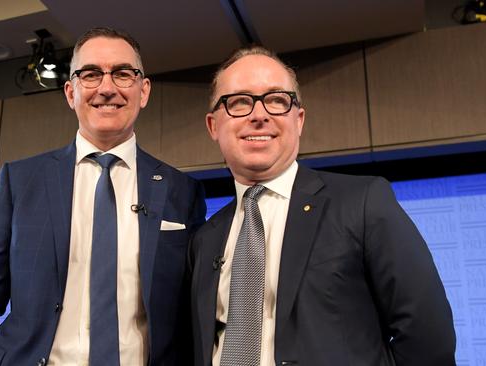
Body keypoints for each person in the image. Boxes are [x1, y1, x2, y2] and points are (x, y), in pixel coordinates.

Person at [0, 27, 206, 366]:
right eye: (91, 74)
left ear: (144, 91)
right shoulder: (20, 181)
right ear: (70, 92)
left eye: (123, 74)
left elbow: (191, 313)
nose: (107, 87)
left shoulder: (181, 191)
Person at [189, 45, 456, 366]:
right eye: (239, 102)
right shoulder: (205, 238)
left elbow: (427, 335)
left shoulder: (363, 202)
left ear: (298, 119)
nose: (259, 115)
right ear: (213, 126)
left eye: (276, 100)